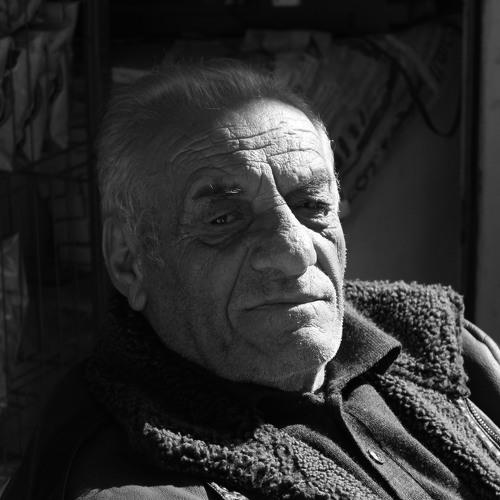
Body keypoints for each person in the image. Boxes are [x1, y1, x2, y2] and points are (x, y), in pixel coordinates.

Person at [3, 60, 500, 500]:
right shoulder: (134, 482)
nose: (294, 251)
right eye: (224, 219)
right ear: (129, 261)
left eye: (312, 205)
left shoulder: (439, 344)